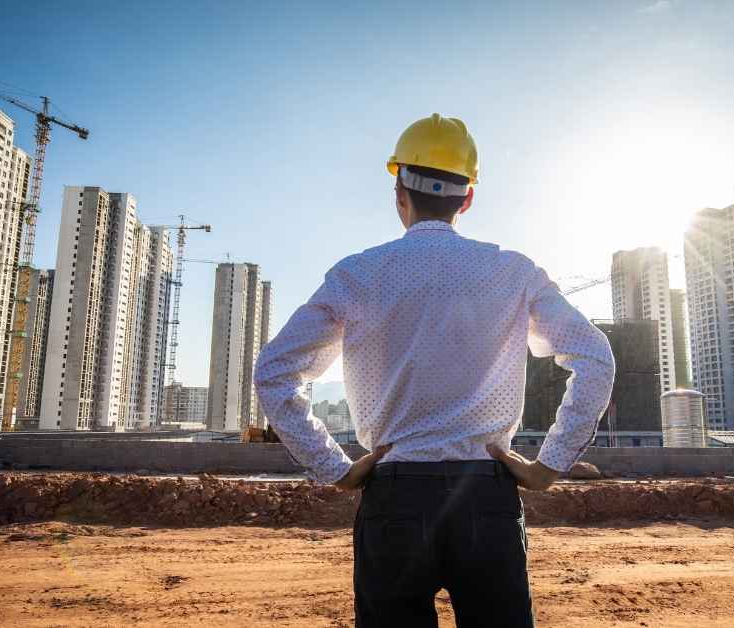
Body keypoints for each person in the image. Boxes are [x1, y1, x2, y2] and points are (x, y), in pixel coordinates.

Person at [254, 113, 616, 627]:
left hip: (394, 497)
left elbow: (274, 371)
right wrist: (548, 465)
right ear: (466, 198)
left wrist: (333, 468)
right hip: (487, 495)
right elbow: (595, 357)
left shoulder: (355, 274)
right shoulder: (514, 272)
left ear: (399, 189)